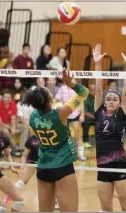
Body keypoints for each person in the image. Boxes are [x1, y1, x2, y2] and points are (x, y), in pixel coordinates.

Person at [21, 68, 89, 212]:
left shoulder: (33, 116)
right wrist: (70, 83)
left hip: (43, 168)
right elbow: (84, 92)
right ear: (49, 100)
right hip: (63, 166)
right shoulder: (61, 113)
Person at [93, 44, 126, 212]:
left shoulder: (122, 113)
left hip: (120, 164)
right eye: (108, 99)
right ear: (104, 102)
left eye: (114, 99)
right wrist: (97, 64)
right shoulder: (98, 112)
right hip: (102, 165)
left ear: (119, 103)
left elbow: (125, 91)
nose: (111, 101)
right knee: (105, 209)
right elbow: (97, 87)